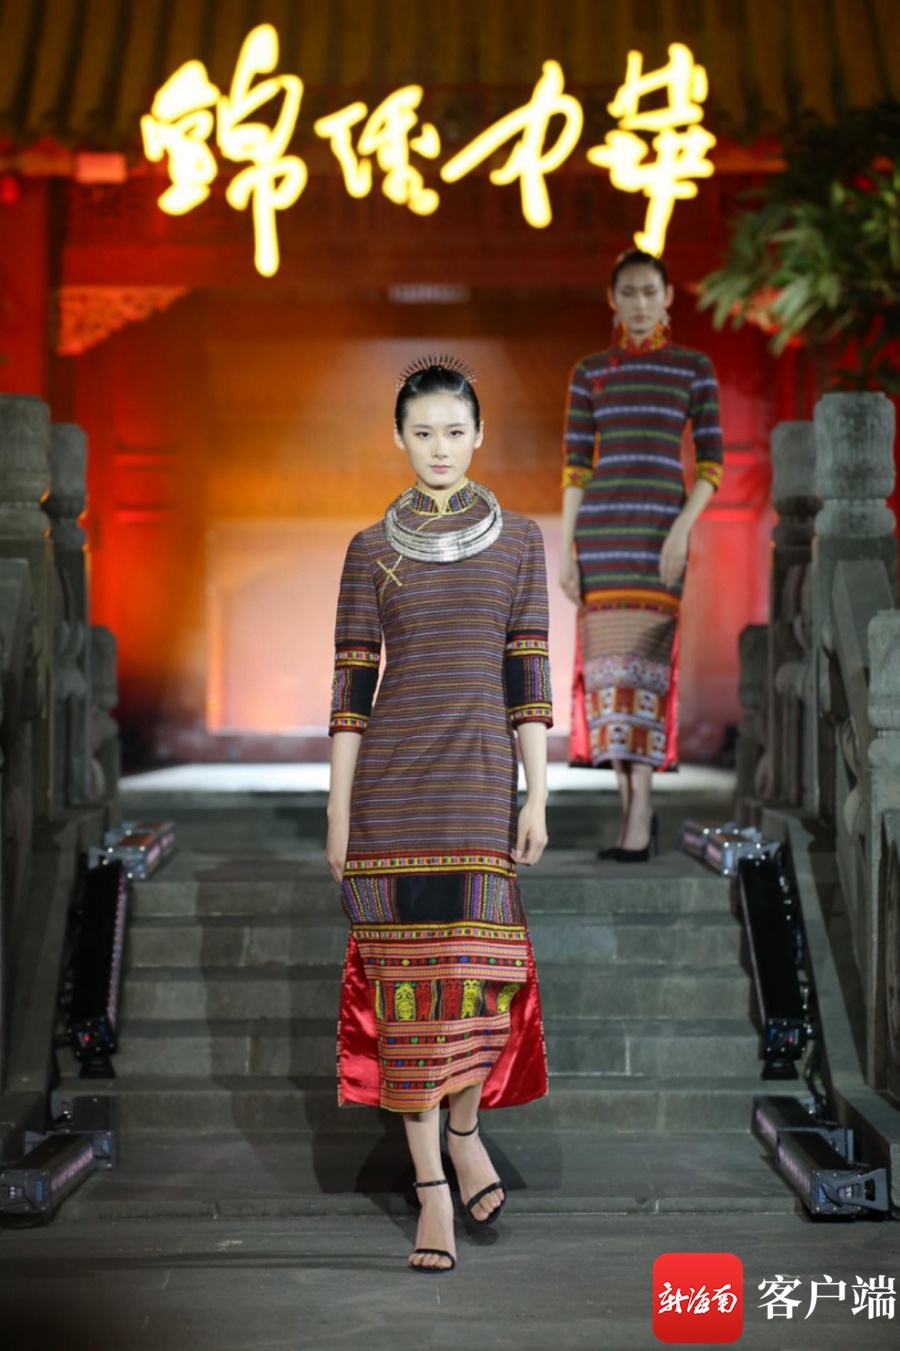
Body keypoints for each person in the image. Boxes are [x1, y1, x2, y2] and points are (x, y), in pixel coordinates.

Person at [326, 354, 553, 1274]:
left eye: (455, 430)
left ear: (480, 433)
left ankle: (464, 1133)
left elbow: (527, 676)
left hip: (480, 788)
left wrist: (539, 791)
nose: (440, 447)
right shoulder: (368, 549)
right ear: (398, 437)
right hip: (393, 796)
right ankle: (430, 1187)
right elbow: (350, 688)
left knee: (481, 988)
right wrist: (337, 809)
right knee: (408, 996)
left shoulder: (521, 541)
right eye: (422, 432)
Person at [558, 250, 724, 861]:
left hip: (659, 540)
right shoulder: (590, 373)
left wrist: (682, 528)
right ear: (613, 299)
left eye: (650, 291)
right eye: (628, 292)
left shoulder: (692, 368)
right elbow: (576, 468)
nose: (640, 303)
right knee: (609, 679)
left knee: (645, 671)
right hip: (602, 541)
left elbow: (711, 463)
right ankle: (632, 814)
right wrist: (567, 549)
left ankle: (642, 811)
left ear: (668, 296)